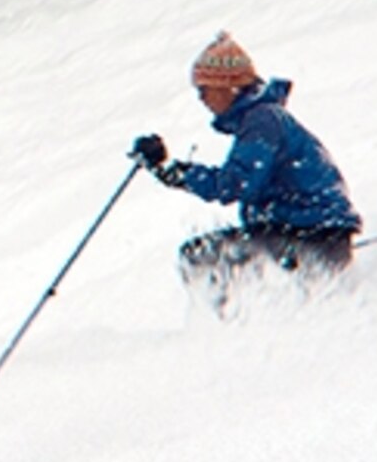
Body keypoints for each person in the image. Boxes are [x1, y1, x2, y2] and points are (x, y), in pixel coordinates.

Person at [134, 33, 361, 297]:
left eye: (204, 89)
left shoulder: (262, 122)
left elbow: (235, 184)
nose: (201, 99)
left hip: (311, 238)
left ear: (226, 85)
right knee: (218, 256)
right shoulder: (265, 118)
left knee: (202, 257)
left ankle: (231, 328)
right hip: (316, 235)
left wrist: (171, 170)